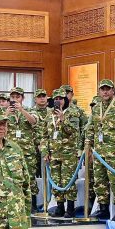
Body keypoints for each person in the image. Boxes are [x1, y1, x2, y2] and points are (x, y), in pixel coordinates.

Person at [84, 79, 115, 221]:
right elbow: (91, 129)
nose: (105, 92)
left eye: (108, 89)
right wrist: (89, 148)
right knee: (99, 181)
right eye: (102, 89)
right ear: (99, 91)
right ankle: (104, 209)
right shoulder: (96, 107)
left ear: (113, 91)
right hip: (98, 151)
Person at [40, 88, 80, 218]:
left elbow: (74, 132)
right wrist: (45, 152)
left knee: (68, 181)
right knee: (56, 181)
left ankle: (70, 208)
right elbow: (44, 136)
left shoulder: (72, 113)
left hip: (68, 154)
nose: (58, 101)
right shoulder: (49, 115)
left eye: (61, 99)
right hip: (54, 153)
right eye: (56, 99)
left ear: (65, 100)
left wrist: (63, 119)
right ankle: (60, 206)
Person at [5, 87, 40, 211]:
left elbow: (34, 121)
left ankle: (32, 204)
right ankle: (14, 203)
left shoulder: (30, 110)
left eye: (17, 97)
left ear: (22, 98)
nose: (15, 99)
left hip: (27, 151)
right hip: (10, 151)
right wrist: (7, 114)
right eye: (12, 97)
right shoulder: (5, 112)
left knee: (29, 177)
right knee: (11, 177)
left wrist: (22, 110)